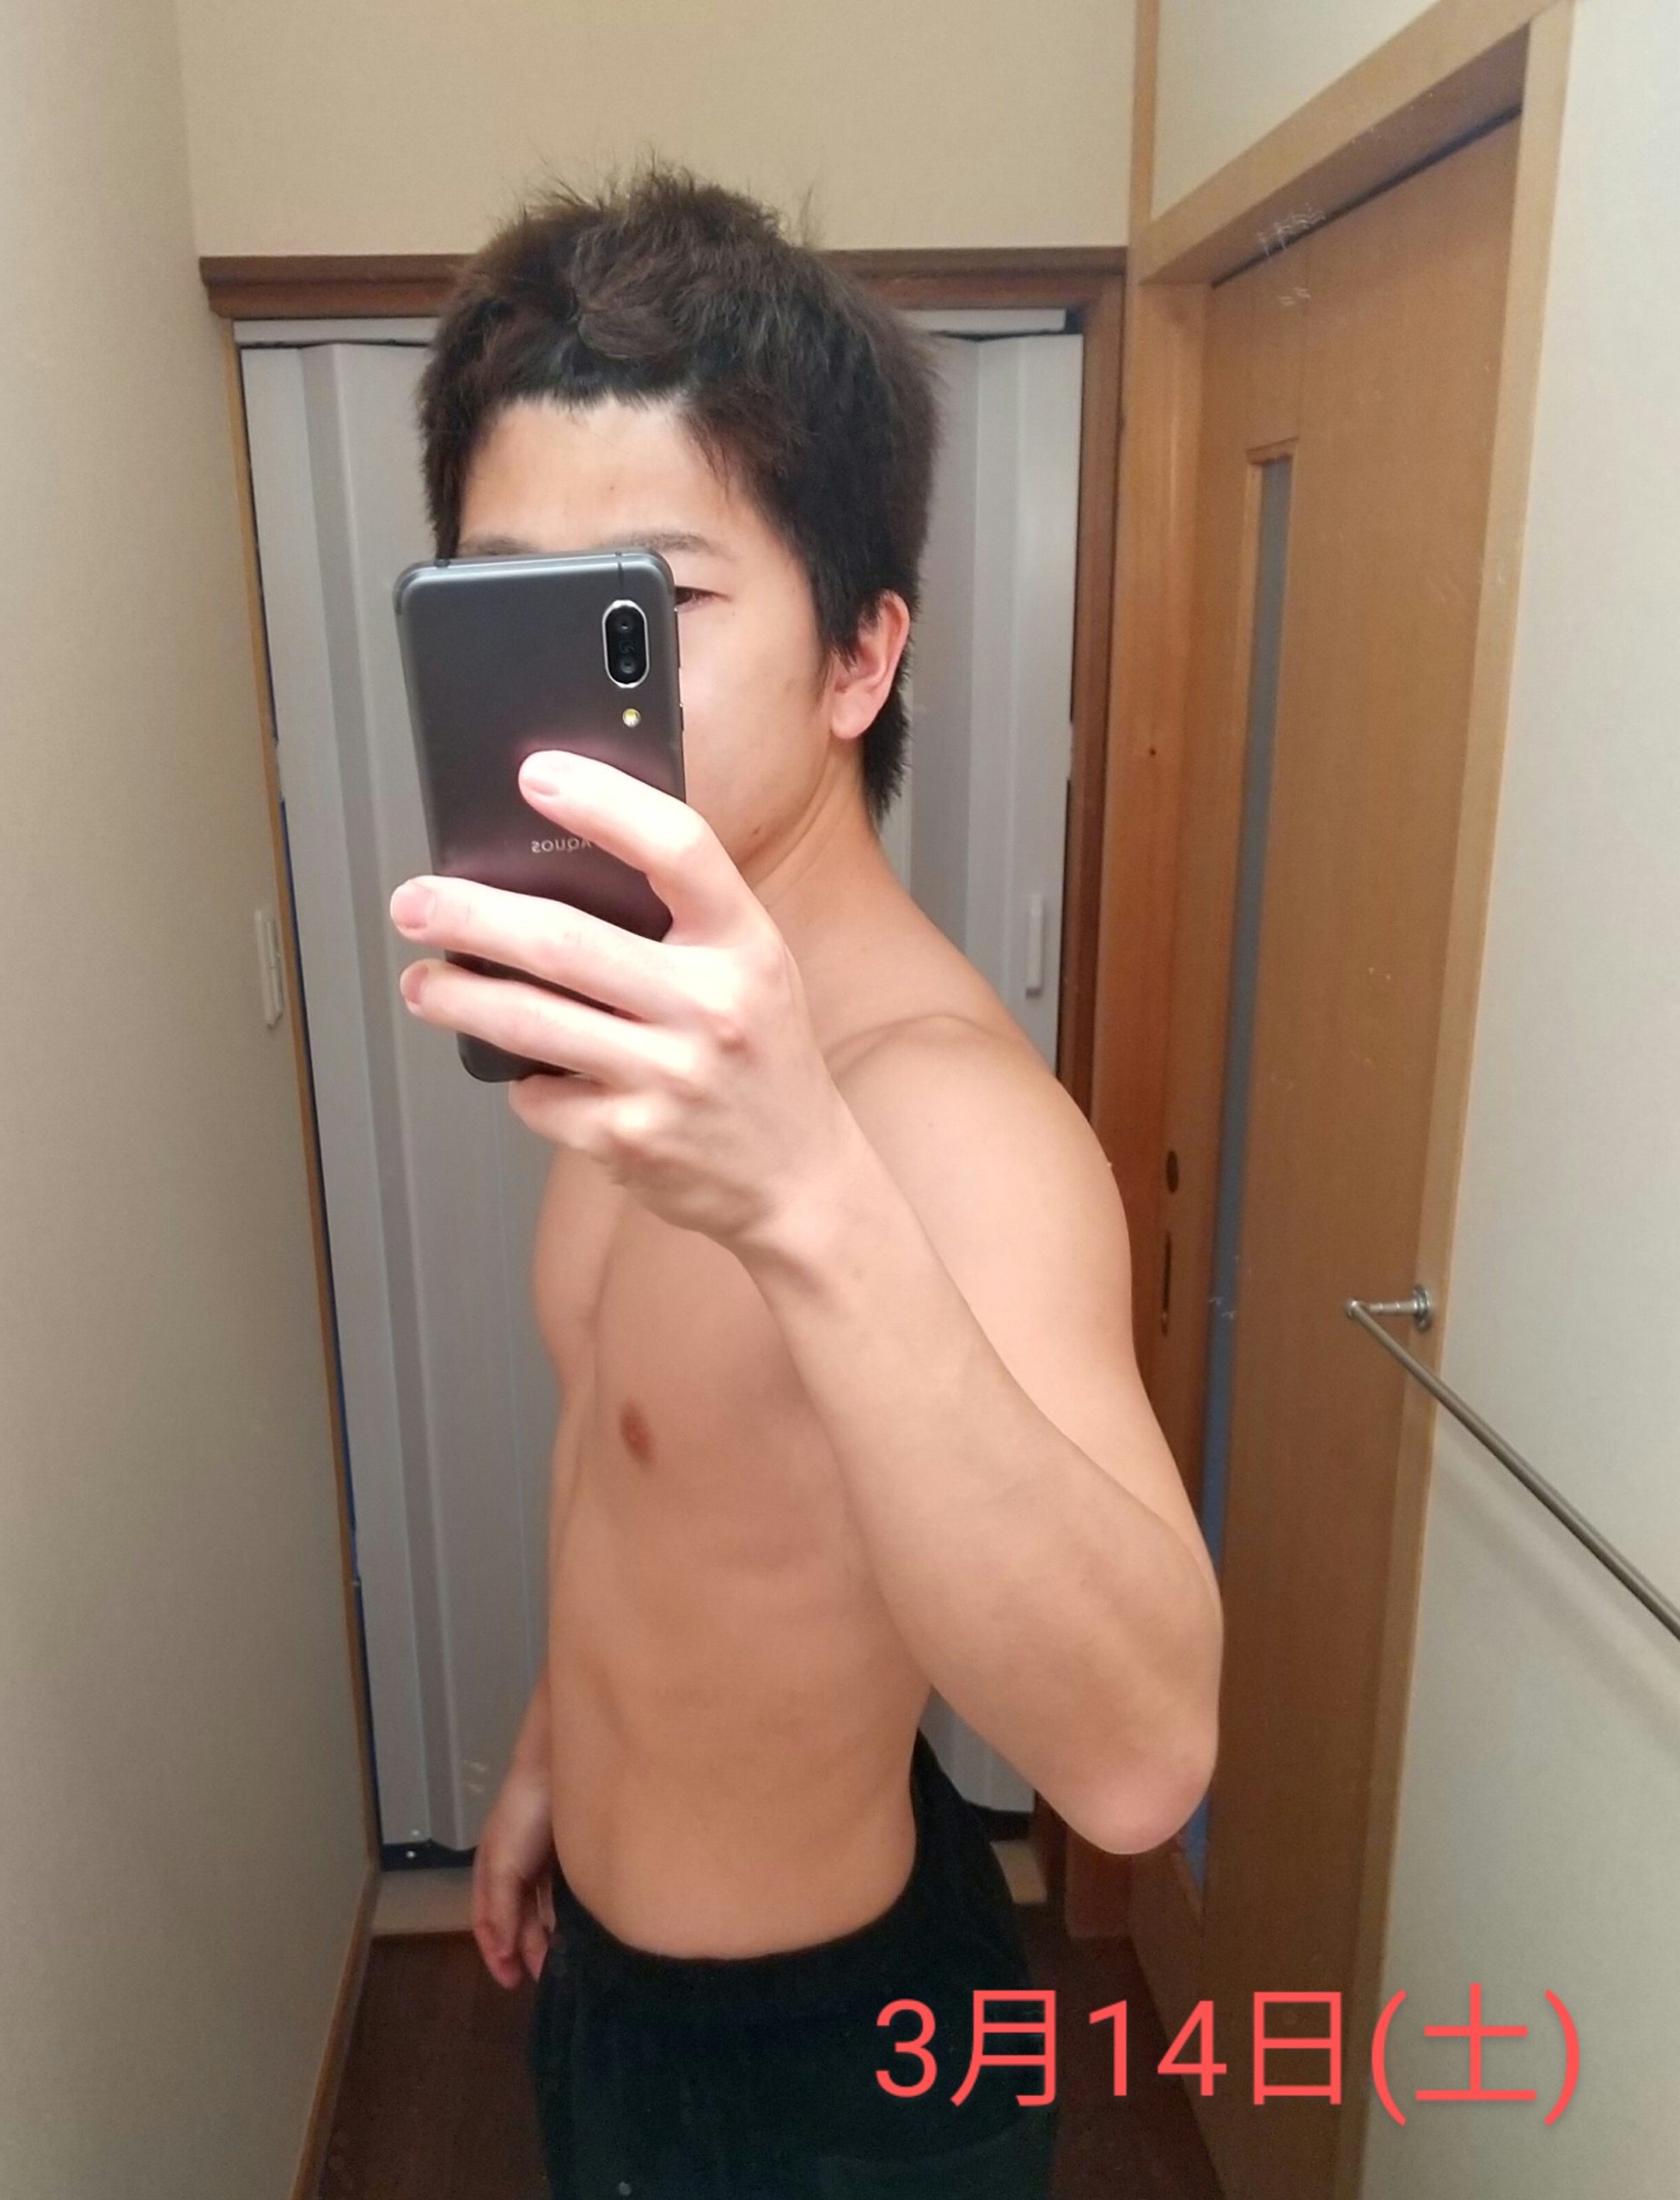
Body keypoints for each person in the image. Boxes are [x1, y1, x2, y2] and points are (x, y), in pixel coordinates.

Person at [388, 163, 1223, 2199]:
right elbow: (646, 1467)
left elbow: (1138, 1755)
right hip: (608, 1976)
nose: (569, 704)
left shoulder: (936, 1115)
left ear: (857, 657)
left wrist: (806, 1197)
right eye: (505, 606)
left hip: (830, 2077)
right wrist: (554, 1744)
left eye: (648, 612)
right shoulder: (648, 1029)